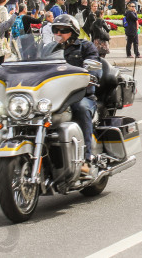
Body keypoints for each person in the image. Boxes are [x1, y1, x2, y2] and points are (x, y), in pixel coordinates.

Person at [51, 14, 101, 176]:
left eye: (63, 30)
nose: (59, 33)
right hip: (54, 97)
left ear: (72, 32)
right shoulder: (48, 50)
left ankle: (86, 159)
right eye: (56, 30)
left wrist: (90, 72)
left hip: (81, 96)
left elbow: (95, 67)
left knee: (80, 108)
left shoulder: (85, 47)